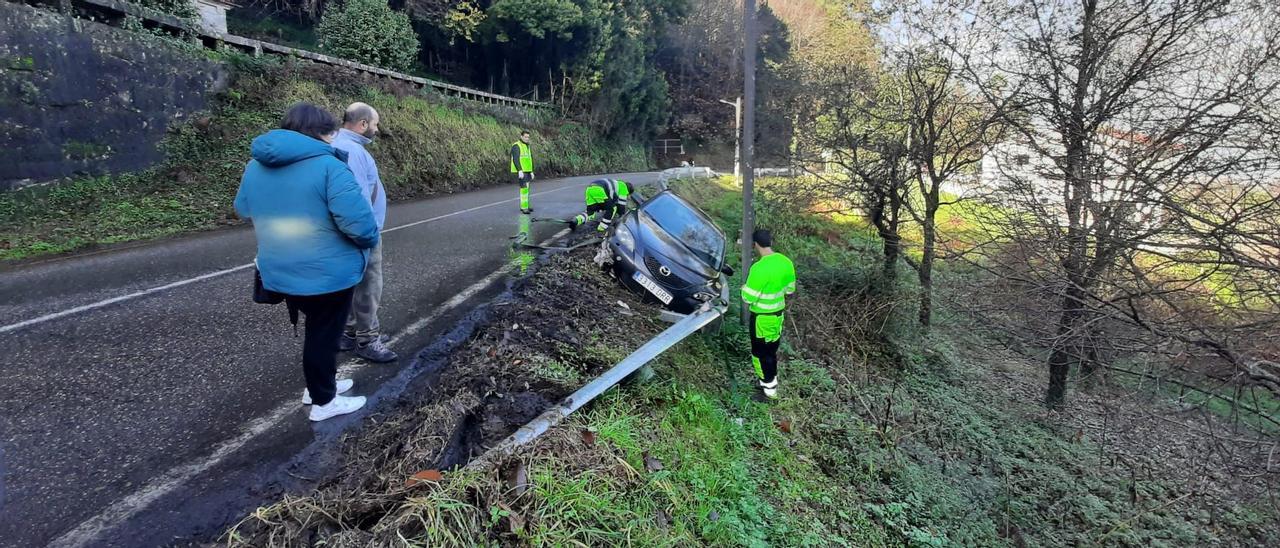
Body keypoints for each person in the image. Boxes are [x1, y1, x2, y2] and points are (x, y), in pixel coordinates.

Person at [234, 103, 380, 422]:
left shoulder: (255, 165)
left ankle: (317, 387)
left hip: (279, 264)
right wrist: (369, 240)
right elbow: (358, 224)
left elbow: (243, 206)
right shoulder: (328, 166)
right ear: (321, 133)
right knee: (324, 333)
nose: (333, 139)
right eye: (331, 133)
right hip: (326, 270)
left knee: (318, 330)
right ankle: (324, 403)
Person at [331, 102, 397, 363]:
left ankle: (348, 332)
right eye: (375, 124)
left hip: (344, 230)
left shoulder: (336, 144)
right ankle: (368, 338)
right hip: (361, 230)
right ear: (362, 124)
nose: (377, 129)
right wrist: (365, 233)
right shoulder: (353, 152)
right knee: (369, 284)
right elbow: (356, 198)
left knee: (350, 283)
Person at [740, 229, 796, 400]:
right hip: (778, 316)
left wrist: (744, 289)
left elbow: (747, 298)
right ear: (770, 242)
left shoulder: (759, 268)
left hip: (761, 319)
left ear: (755, 244)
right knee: (771, 351)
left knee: (760, 354)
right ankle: (770, 382)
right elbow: (790, 289)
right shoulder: (785, 262)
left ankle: (768, 390)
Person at [567, 178, 632, 232]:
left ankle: (576, 220)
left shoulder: (617, 184)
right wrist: (622, 217)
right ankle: (602, 228)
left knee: (590, 213)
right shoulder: (624, 188)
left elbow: (609, 200)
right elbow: (621, 206)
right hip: (599, 190)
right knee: (612, 208)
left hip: (589, 189)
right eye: (627, 195)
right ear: (628, 191)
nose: (627, 196)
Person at [510, 130, 535, 214]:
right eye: (525, 137)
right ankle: (524, 208)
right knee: (524, 189)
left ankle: (526, 206)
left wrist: (531, 171)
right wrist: (519, 170)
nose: (527, 138)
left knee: (527, 188)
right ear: (521, 136)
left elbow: (529, 159)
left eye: (528, 137)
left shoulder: (527, 146)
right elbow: (516, 159)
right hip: (522, 171)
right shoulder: (516, 146)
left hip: (527, 171)